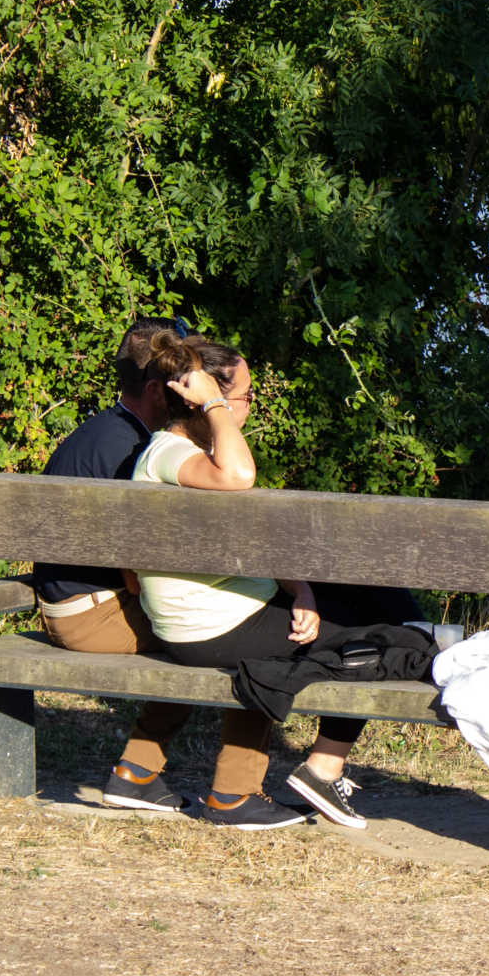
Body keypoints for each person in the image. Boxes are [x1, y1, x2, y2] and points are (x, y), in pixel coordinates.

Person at [130, 332, 427, 832]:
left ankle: (429, 651)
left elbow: (257, 539)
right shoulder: (169, 456)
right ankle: (322, 770)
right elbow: (242, 475)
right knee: (380, 640)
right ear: (203, 399)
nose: (246, 408)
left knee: (383, 601)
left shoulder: (196, 460)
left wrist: (303, 590)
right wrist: (217, 404)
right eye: (243, 396)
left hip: (238, 604)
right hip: (208, 629)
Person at [32, 318, 273, 817]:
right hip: (95, 615)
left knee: (199, 625)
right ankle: (236, 790)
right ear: (153, 388)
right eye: (178, 379)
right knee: (234, 631)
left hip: (69, 605)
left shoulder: (103, 432)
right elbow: (134, 570)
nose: (187, 390)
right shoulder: (134, 451)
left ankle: (136, 775)